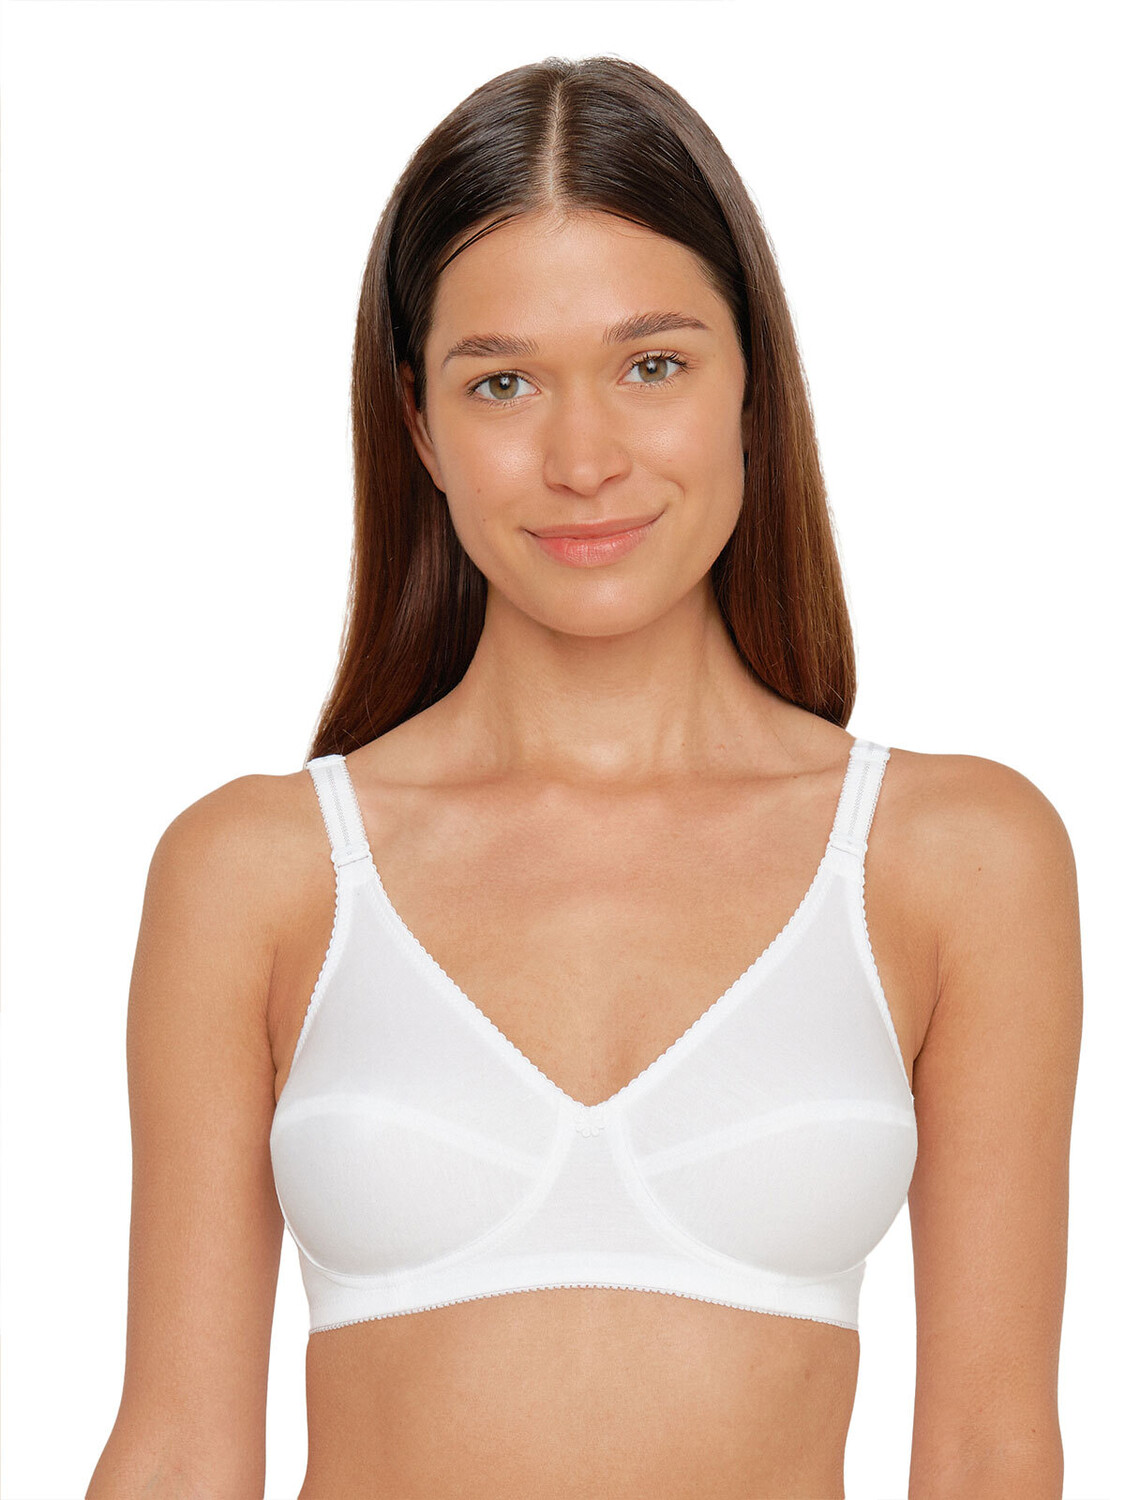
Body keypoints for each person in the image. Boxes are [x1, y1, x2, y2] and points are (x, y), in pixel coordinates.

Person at [86, 54, 1082, 1500]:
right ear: (419, 423)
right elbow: (179, 1454)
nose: (583, 458)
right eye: (502, 383)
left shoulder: (954, 857)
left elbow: (993, 1455)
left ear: (752, 386)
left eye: (652, 365)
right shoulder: (258, 873)